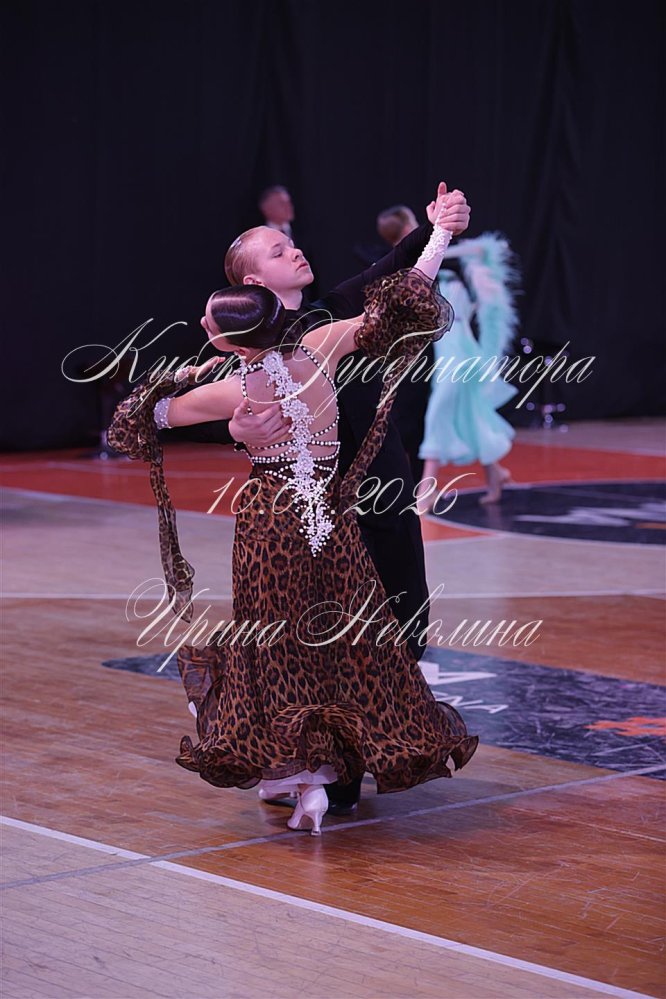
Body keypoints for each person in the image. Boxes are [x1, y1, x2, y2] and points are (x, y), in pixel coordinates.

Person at [108, 205, 478, 836]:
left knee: (303, 648)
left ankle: (309, 773)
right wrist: (235, 428)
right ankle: (334, 776)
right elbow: (406, 294)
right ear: (253, 284)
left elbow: (147, 415)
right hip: (331, 515)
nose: (295, 251)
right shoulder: (318, 345)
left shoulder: (251, 363)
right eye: (278, 250)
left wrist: (439, 225)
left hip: (312, 514)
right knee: (334, 646)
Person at [417, 234, 520, 507]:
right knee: (473, 416)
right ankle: (496, 473)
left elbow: (483, 252)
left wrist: (441, 253)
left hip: (460, 359)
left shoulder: (451, 285)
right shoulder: (433, 284)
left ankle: (427, 488)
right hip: (451, 357)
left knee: (438, 413)